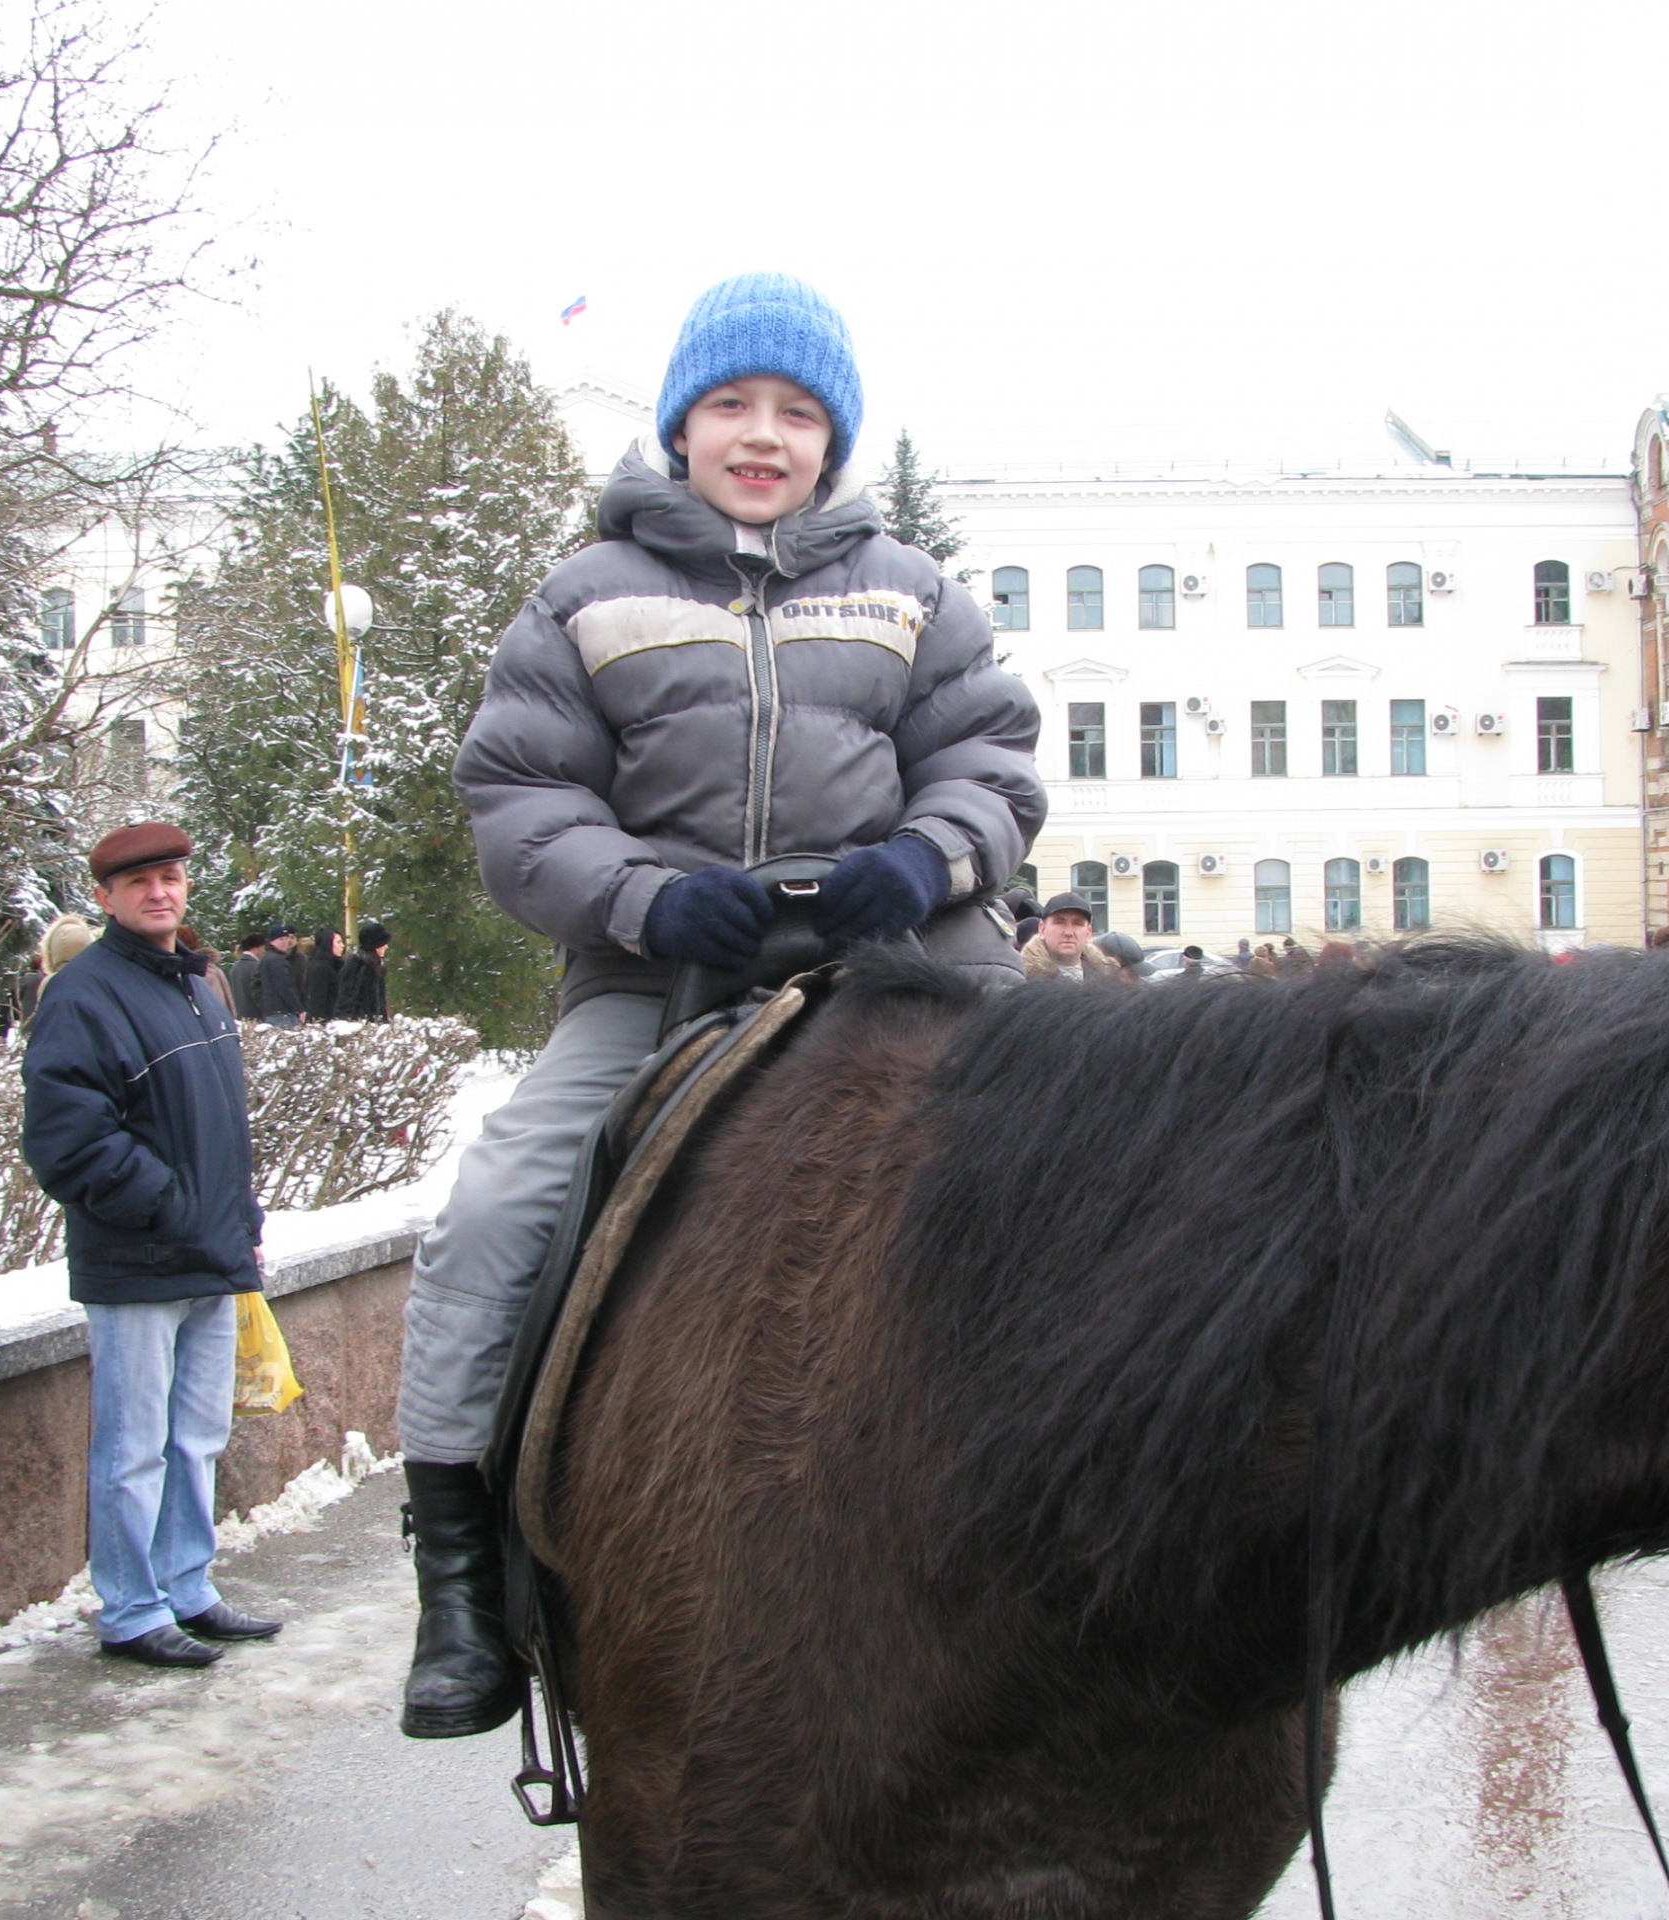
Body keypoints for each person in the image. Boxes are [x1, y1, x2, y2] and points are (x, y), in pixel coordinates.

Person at [392, 272, 1043, 1740]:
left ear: (832, 440)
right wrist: (647, 896)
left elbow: (991, 767)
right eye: (734, 405)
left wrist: (922, 859)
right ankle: (459, 1580)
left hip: (909, 950)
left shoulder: (911, 591)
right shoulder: (585, 595)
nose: (763, 435)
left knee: (1099, 1163)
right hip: (660, 970)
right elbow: (521, 798)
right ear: (682, 425)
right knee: (497, 1207)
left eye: (797, 413)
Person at [20, 822, 282, 1669]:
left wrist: (237, 1222)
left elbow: (220, 1130)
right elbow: (66, 1142)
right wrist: (170, 1207)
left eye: (169, 876)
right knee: (133, 1450)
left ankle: (186, 1587)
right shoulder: (82, 995)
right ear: (105, 898)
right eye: (138, 883)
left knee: (195, 1439)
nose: (158, 892)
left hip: (209, 1254)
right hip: (137, 1261)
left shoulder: (197, 987)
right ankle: (133, 1610)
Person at [1021, 892, 1127, 983]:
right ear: (1042, 929)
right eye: (1059, 922)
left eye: (1077, 923)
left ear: (1088, 932)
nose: (1068, 933)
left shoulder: (1108, 978)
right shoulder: (1021, 977)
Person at [336, 921, 390, 1022]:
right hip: (359, 1023)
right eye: (383, 944)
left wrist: (383, 1019)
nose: (386, 947)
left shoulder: (376, 965)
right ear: (375, 945)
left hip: (372, 1022)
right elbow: (347, 997)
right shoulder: (357, 965)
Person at [257, 924, 304, 1028]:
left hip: (272, 1011)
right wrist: (299, 1009)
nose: (284, 942)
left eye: (286, 938)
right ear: (272, 941)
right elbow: (286, 988)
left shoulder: (267, 958)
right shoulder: (277, 961)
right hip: (283, 1013)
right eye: (281, 939)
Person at [302, 928, 343, 1022]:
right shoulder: (320, 967)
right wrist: (320, 1022)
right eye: (338, 942)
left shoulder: (336, 965)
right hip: (324, 1020)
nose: (342, 946)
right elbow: (317, 999)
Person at [228, 933, 266, 1021]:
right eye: (263, 948)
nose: (264, 951)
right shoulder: (257, 967)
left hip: (240, 1016)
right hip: (257, 1017)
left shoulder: (235, 967)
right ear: (256, 948)